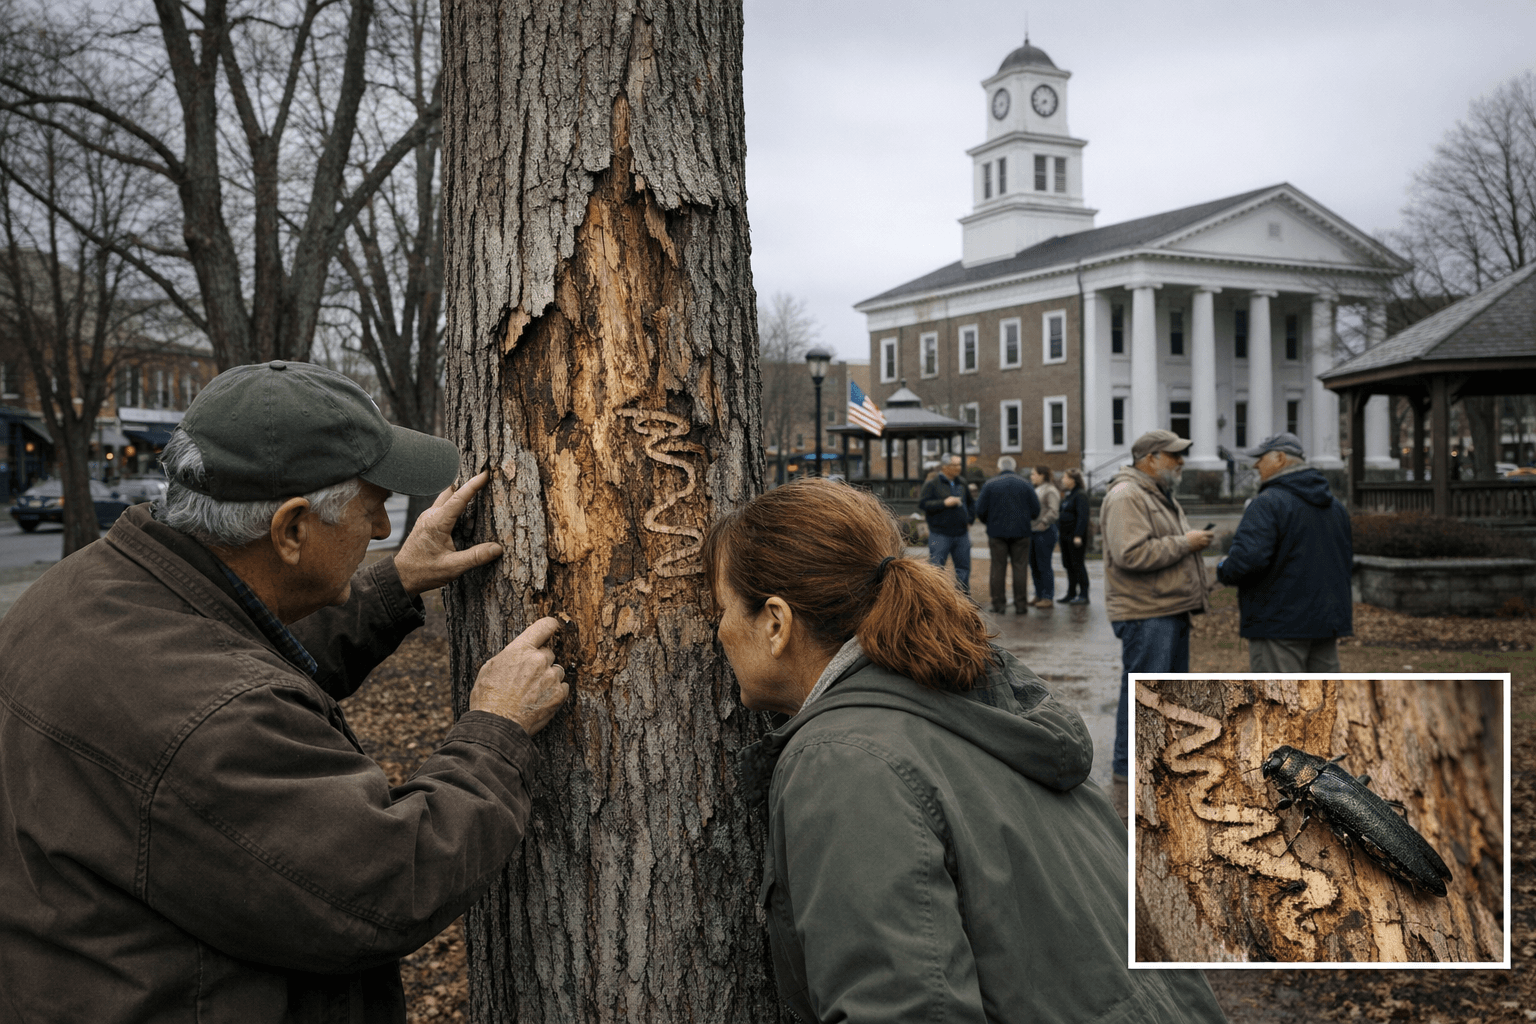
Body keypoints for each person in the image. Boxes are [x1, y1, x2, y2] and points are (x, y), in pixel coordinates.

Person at [0, 361, 570, 1022]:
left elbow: (229, 656)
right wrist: (494, 733)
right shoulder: (209, 718)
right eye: (371, 506)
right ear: (293, 529)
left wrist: (392, 586)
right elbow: (383, 886)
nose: (384, 530)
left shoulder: (87, 591)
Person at [704, 479, 1228, 1024]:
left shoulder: (845, 762)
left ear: (775, 623)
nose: (718, 631)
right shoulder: (975, 702)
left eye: (722, 609)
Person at [1100, 430, 1215, 822]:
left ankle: (1149, 761)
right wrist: (1186, 542)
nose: (1180, 462)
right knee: (1145, 689)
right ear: (1150, 458)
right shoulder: (1127, 495)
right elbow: (1130, 553)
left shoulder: (1154, 493)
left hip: (1165, 608)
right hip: (1146, 611)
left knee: (1162, 691)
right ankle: (1127, 767)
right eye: (1174, 455)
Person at [1216, 432, 1353, 671]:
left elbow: (1247, 559)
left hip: (1277, 626)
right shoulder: (1336, 507)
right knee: (1321, 703)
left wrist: (1222, 568)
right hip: (1325, 624)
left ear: (1280, 458)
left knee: (1278, 704)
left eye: (1261, 458)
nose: (1255, 464)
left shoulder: (1267, 503)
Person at [974, 455, 1041, 614]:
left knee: (998, 567)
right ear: (1014, 467)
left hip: (997, 533)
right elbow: (1036, 510)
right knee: (1020, 568)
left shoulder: (990, 484)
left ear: (999, 467)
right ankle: (1021, 605)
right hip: (1021, 532)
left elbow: (980, 510)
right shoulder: (1026, 484)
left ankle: (998, 604)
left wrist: (989, 522)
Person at [917, 452, 975, 594]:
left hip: (961, 534)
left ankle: (963, 598)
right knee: (936, 568)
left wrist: (970, 520)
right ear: (944, 467)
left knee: (963, 567)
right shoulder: (933, 484)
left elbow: (971, 504)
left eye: (960, 464)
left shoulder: (962, 482)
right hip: (940, 534)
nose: (958, 468)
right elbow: (923, 504)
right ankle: (936, 598)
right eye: (954, 465)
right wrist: (944, 503)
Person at [1028, 464, 1060, 608]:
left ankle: (1048, 596)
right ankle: (1038, 594)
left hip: (1045, 532)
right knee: (1034, 564)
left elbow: (1054, 511)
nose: (1031, 476)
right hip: (1033, 532)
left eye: (1034, 474)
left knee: (1044, 565)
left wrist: (1044, 522)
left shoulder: (1050, 490)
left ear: (1042, 475)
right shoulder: (1037, 489)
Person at [1058, 467, 1091, 604]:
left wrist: (1078, 535)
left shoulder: (1080, 495)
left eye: (1065, 477)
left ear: (1072, 480)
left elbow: (1083, 517)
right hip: (1065, 536)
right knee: (1068, 565)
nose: (1063, 480)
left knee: (1077, 564)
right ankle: (1071, 593)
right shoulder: (1069, 495)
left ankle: (1084, 594)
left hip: (1075, 537)